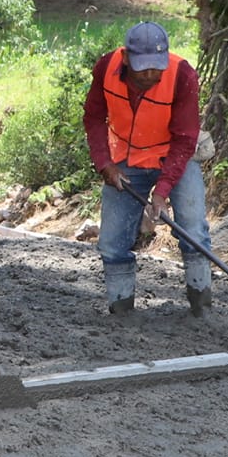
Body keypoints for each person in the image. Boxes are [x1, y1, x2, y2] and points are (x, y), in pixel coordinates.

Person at [83, 21, 213, 317]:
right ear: (127, 59)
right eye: (143, 68)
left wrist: (162, 192)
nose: (151, 75)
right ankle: (121, 310)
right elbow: (93, 118)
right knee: (112, 242)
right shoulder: (106, 68)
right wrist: (105, 164)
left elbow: (184, 140)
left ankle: (202, 309)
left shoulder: (182, 76)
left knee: (193, 231)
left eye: (157, 67)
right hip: (126, 160)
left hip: (175, 157)